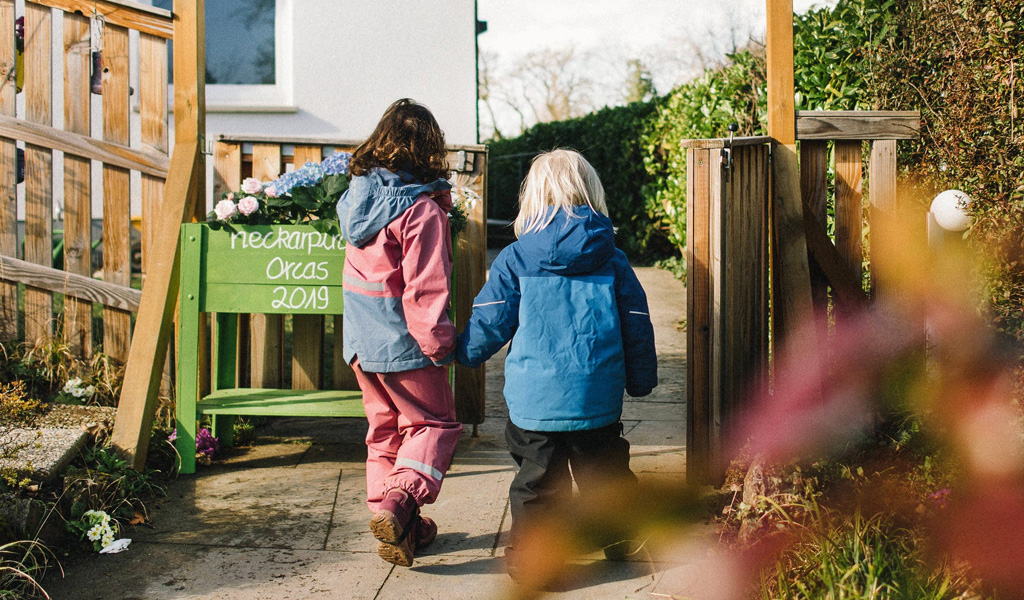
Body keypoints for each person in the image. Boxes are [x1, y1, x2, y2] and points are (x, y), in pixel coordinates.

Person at [455, 149, 658, 578]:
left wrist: (463, 352)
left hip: (535, 403)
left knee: (537, 484)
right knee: (605, 472)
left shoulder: (515, 257)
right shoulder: (614, 259)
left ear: (533, 196)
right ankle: (624, 539)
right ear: (591, 192)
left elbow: (491, 318)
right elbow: (636, 324)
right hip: (596, 398)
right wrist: (640, 381)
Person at [335, 98, 461, 567]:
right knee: (434, 424)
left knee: (384, 431)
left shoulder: (356, 201)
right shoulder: (421, 212)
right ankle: (400, 502)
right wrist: (442, 346)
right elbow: (424, 292)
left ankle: (399, 526)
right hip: (405, 348)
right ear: (429, 150)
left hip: (362, 347)